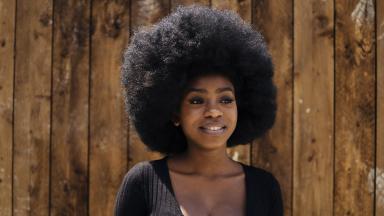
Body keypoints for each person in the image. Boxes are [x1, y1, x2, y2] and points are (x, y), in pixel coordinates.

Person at [115, 5, 283, 216]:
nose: (214, 111)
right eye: (196, 100)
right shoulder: (144, 182)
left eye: (225, 99)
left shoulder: (265, 187)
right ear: (175, 112)